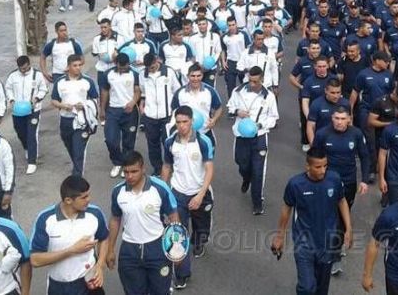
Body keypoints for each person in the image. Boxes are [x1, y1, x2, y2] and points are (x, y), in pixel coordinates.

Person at [271, 148, 352, 294]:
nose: (322, 171)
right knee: (307, 287)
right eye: (318, 167)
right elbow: (286, 209)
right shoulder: (295, 184)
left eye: (325, 166)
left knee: (321, 289)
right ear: (307, 166)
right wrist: (279, 236)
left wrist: (348, 229)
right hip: (304, 244)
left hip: (327, 243)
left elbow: (342, 201)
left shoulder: (334, 179)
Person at [107, 151, 179, 295]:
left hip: (157, 248)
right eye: (126, 172)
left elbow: (174, 217)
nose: (130, 176)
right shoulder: (118, 192)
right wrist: (110, 250)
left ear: (143, 168)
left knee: (160, 291)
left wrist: (176, 249)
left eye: (134, 171)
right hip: (129, 251)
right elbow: (115, 219)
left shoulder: (159, 188)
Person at [310, 106, 368, 275]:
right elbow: (314, 158)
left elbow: (364, 156)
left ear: (349, 119)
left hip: (348, 182)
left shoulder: (356, 134)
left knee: (342, 218)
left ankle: (338, 242)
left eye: (343, 119)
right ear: (332, 118)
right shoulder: (322, 134)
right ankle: (334, 258)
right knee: (329, 218)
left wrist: (364, 180)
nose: (340, 122)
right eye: (337, 118)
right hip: (326, 183)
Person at [161, 106, 215, 288]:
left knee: (201, 228)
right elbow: (167, 166)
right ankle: (182, 274)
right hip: (178, 194)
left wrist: (200, 194)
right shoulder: (170, 142)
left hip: (200, 193)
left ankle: (199, 241)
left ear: (192, 121)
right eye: (178, 122)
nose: (182, 126)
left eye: (185, 122)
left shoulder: (203, 141)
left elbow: (209, 169)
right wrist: (163, 190)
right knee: (178, 234)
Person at [30, 175, 110, 294]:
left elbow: (104, 238)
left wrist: (100, 265)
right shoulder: (46, 219)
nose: (89, 199)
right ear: (68, 200)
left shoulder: (95, 213)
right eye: (84, 197)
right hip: (59, 287)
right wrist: (72, 250)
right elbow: (35, 260)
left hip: (89, 283)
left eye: (89, 194)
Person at [227, 66, 279, 215]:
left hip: (259, 137)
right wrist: (238, 112)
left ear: (261, 80)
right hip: (241, 136)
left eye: (255, 81)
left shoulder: (268, 96)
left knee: (258, 171)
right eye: (250, 80)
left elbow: (274, 118)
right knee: (241, 163)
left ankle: (257, 202)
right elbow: (230, 106)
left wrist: (260, 125)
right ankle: (246, 178)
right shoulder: (238, 92)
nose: (252, 84)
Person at [51, 54, 100, 176]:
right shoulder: (60, 82)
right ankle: (77, 167)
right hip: (65, 120)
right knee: (70, 146)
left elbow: (95, 99)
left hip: (81, 121)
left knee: (78, 150)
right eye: (75, 65)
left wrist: (84, 105)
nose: (78, 68)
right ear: (68, 67)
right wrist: (63, 106)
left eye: (79, 65)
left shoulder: (87, 81)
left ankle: (77, 177)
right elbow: (54, 100)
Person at [5, 55, 49, 175]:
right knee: (20, 131)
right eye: (21, 69)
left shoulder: (37, 75)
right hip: (18, 110)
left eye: (25, 68)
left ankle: (32, 161)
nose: (23, 71)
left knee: (31, 134)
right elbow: (8, 89)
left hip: (33, 110)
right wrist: (12, 100)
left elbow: (44, 89)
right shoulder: (13, 76)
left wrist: (36, 99)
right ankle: (26, 148)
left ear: (29, 64)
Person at [100, 53, 142, 179]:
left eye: (126, 67)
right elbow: (104, 91)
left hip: (129, 111)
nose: (124, 69)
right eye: (121, 67)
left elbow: (137, 91)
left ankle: (126, 164)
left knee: (129, 140)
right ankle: (117, 162)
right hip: (113, 110)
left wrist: (133, 102)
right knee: (111, 140)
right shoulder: (108, 74)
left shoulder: (134, 74)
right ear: (116, 64)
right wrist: (102, 109)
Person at [139, 53, 181, 175]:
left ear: (156, 60)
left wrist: (175, 110)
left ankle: (172, 166)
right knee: (152, 144)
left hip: (167, 115)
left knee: (168, 142)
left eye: (152, 67)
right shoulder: (143, 74)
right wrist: (143, 106)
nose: (150, 70)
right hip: (150, 115)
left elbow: (177, 90)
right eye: (148, 68)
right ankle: (157, 168)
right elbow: (143, 92)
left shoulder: (169, 72)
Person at [171, 63, 223, 149]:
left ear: (202, 76)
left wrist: (214, 120)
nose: (196, 79)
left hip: (205, 132)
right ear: (188, 76)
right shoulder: (180, 93)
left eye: (198, 76)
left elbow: (219, 108)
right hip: (185, 135)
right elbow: (173, 111)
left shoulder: (210, 91)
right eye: (193, 76)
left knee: (207, 160)